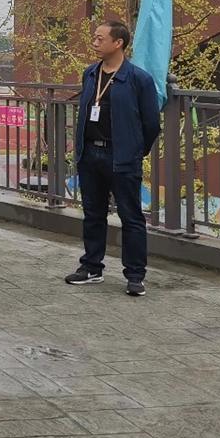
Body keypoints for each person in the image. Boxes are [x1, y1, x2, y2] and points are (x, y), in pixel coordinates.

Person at [66, 20, 160, 297]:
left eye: (100, 38)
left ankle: (135, 275)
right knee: (93, 214)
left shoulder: (139, 79)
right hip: (90, 154)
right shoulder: (90, 74)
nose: (94, 42)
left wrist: (135, 150)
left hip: (122, 157)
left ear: (118, 43)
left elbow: (151, 123)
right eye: (94, 38)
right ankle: (91, 267)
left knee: (131, 217)